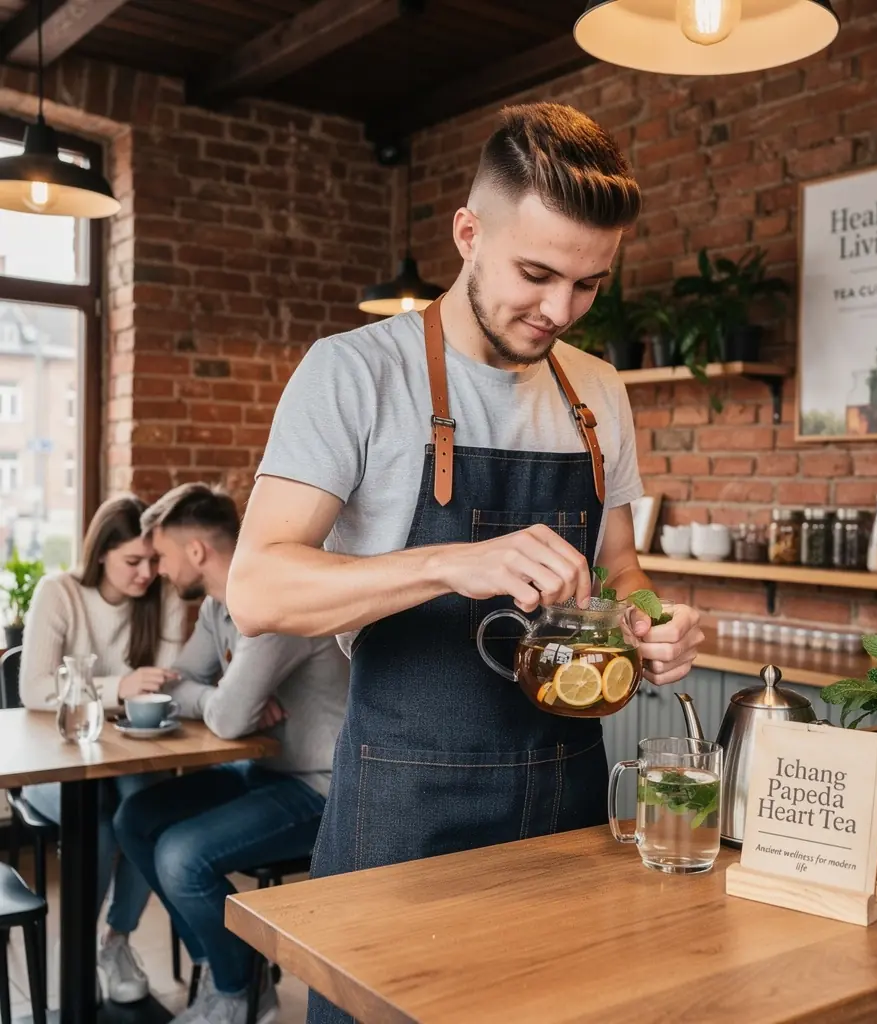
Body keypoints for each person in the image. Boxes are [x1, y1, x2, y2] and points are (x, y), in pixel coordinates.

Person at [226, 102, 704, 1024]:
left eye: (589, 285)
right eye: (536, 274)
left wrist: (648, 618)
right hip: (405, 807)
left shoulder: (598, 390)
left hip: (568, 794)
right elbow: (258, 588)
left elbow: (618, 567)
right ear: (468, 232)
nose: (559, 311)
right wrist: (452, 563)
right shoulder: (356, 372)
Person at [112, 482, 349, 1024]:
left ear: (196, 552)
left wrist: (223, 701)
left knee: (180, 856)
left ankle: (237, 991)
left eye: (163, 557)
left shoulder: (269, 601)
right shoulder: (219, 607)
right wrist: (220, 697)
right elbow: (184, 682)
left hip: (319, 786)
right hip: (266, 768)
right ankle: (227, 965)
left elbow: (225, 717)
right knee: (136, 817)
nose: (160, 571)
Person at [18, 494, 187, 1004]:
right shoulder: (60, 592)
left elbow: (170, 684)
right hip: (57, 761)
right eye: (133, 561)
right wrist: (122, 686)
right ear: (100, 554)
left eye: (154, 561)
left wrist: (129, 688)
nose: (146, 573)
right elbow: (34, 690)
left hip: (131, 752)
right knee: (96, 814)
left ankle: (114, 940)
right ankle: (76, 948)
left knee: (147, 810)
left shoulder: (164, 597)